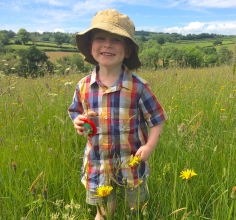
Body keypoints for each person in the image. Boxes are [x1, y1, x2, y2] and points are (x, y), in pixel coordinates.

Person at [68, 8, 168, 219]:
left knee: (136, 211)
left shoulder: (138, 86)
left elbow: (157, 120)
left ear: (128, 50)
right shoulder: (83, 86)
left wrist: (149, 146)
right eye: (101, 38)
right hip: (98, 164)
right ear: (90, 46)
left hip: (131, 164)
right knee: (103, 213)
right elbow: (75, 112)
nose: (107, 44)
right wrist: (78, 122)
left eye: (116, 40)